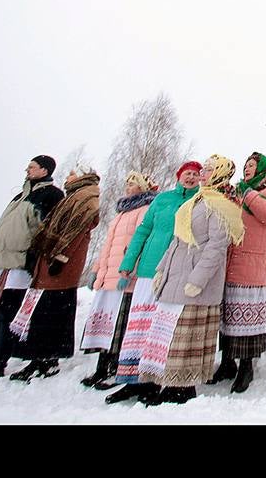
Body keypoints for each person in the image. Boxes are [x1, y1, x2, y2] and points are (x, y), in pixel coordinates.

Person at [136, 155, 245, 406]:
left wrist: (198, 278)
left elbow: (217, 246)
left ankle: (182, 387)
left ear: (220, 173)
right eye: (204, 169)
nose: (203, 174)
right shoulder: (198, 200)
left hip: (195, 281)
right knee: (169, 335)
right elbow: (177, 240)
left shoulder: (222, 205)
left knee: (186, 337)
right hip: (175, 274)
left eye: (208, 170)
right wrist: (162, 270)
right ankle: (167, 381)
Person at [106, 160, 203, 404]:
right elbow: (143, 230)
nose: (190, 177)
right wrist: (129, 263)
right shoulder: (162, 200)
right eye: (186, 174)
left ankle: (155, 378)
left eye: (195, 174)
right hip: (149, 268)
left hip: (174, 272)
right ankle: (132, 381)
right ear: (178, 176)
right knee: (138, 326)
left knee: (160, 329)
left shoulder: (199, 202)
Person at [0, 155, 63, 384]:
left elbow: (45, 230)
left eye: (32, 167)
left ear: (44, 170)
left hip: (18, 264)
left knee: (8, 314)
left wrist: (33, 257)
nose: (27, 169)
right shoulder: (21, 195)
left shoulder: (51, 195)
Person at [8, 169, 102, 380]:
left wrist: (61, 257)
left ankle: (49, 360)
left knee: (53, 313)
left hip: (61, 265)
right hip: (50, 261)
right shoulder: (73, 198)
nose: (68, 177)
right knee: (42, 312)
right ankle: (38, 358)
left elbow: (76, 231)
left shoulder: (86, 198)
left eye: (73, 174)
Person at [209, 152, 266, 394]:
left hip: (253, 262)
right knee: (228, 314)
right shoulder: (238, 190)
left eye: (252, 165)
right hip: (232, 259)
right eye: (246, 165)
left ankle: (246, 366)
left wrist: (249, 195)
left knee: (246, 318)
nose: (248, 169)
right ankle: (228, 362)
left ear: (262, 167)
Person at [80, 170, 159, 389]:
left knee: (119, 326)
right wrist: (97, 269)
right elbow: (108, 245)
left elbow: (140, 243)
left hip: (126, 278)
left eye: (133, 183)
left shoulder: (144, 210)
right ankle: (101, 367)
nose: (128, 186)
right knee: (105, 325)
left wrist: (130, 270)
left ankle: (116, 367)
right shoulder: (121, 213)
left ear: (142, 187)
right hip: (108, 276)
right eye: (127, 183)